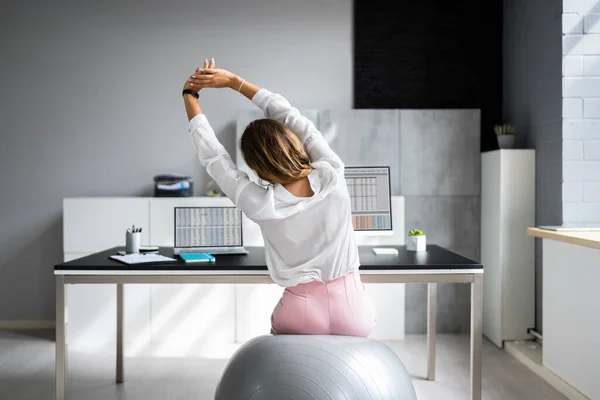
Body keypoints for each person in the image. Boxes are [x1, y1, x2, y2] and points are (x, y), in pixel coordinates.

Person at [182, 58, 376, 337]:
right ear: (293, 141)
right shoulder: (332, 174)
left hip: (300, 312)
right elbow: (292, 117)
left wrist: (190, 96)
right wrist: (236, 83)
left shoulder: (260, 204)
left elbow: (214, 157)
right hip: (353, 308)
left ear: (255, 165)